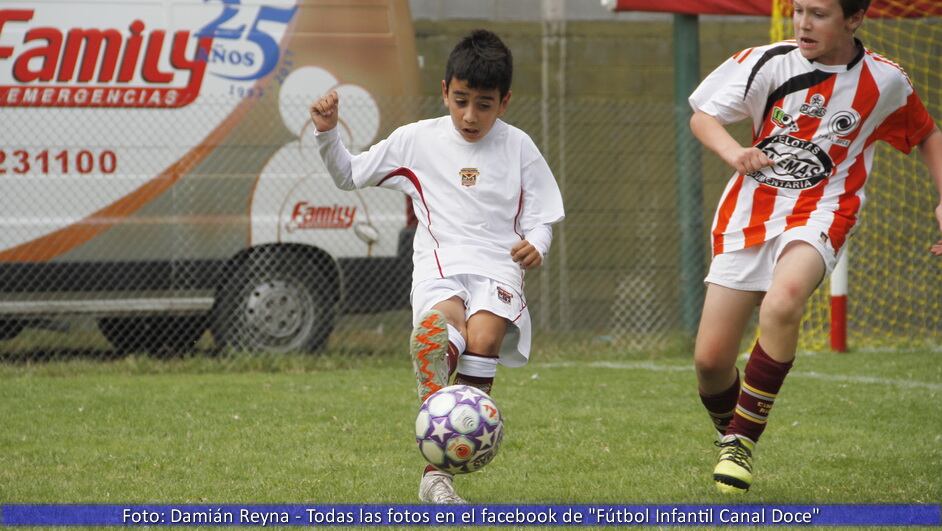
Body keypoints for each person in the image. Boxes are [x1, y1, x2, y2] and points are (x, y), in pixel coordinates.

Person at [688, 0, 942, 494]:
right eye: (799, 9)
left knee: (784, 302)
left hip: (823, 210)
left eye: (819, 13)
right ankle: (731, 432)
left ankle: (742, 442)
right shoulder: (766, 61)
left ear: (854, 19)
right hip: (750, 213)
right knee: (710, 362)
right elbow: (703, 116)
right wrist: (735, 151)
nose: (803, 22)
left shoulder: (885, 81)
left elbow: (928, 134)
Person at [309, 29, 565, 503]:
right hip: (440, 259)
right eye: (461, 99)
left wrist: (538, 244)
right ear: (444, 90)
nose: (470, 115)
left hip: (499, 263)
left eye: (484, 104)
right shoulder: (415, 140)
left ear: (504, 102)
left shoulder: (520, 147)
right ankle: (437, 412)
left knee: (484, 338)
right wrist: (328, 133)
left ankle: (439, 465)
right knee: (445, 324)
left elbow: (543, 213)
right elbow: (349, 175)